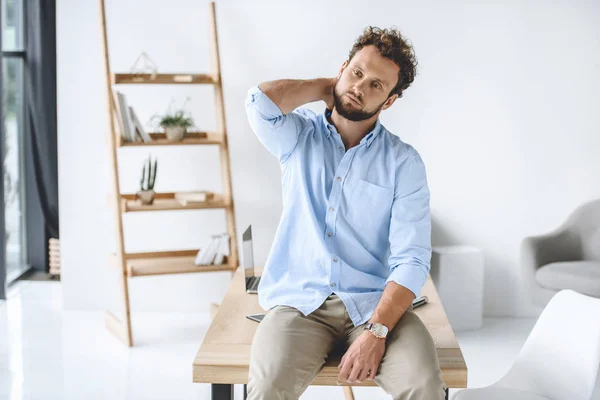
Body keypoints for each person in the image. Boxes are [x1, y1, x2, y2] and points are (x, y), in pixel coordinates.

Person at [244, 26, 446, 400]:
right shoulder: (297, 139)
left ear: (390, 101)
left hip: (375, 307)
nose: (360, 87)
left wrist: (378, 331)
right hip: (299, 306)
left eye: (376, 85)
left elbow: (412, 259)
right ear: (342, 68)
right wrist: (330, 87)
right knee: (267, 386)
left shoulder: (404, 163)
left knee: (425, 385)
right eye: (357, 73)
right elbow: (259, 102)